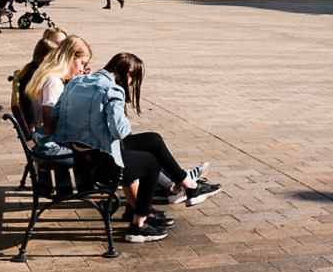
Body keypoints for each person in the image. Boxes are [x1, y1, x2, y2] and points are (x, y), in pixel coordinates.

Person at [50, 52, 221, 243]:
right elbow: (120, 131)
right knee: (152, 161)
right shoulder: (113, 89)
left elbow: (55, 118)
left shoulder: (76, 82)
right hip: (103, 164)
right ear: (128, 72)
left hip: (83, 159)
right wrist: (120, 113)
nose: (131, 84)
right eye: (134, 79)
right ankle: (138, 225)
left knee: (154, 140)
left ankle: (189, 186)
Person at [25, 35, 91, 158]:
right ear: (71, 56)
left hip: (41, 139)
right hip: (50, 146)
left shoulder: (48, 73)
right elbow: (50, 127)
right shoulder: (53, 82)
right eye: (82, 63)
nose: (82, 69)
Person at [15, 28, 67, 127]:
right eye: (57, 44)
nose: (61, 49)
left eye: (64, 44)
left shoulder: (31, 70)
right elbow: (49, 120)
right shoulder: (50, 79)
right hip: (46, 131)